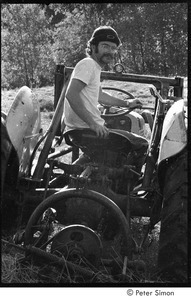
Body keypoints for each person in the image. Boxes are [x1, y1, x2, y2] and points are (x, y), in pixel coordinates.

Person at [63, 25, 142, 138]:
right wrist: (93, 124)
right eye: (105, 46)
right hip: (87, 129)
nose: (109, 51)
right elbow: (71, 94)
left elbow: (100, 96)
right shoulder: (88, 64)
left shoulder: (94, 67)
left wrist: (127, 103)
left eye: (113, 48)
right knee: (140, 145)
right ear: (93, 47)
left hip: (88, 128)